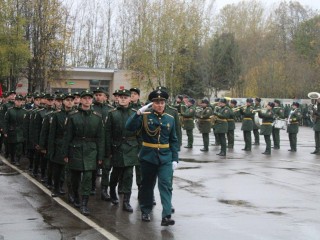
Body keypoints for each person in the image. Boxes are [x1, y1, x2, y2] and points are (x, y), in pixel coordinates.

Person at [125, 89, 179, 226]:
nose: (160, 105)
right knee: (147, 185)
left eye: (162, 102)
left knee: (166, 185)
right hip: (148, 156)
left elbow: (173, 140)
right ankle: (145, 210)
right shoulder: (145, 116)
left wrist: (175, 159)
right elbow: (129, 127)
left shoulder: (170, 119)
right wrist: (137, 114)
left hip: (165, 157)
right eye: (156, 102)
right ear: (152, 103)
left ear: (165, 103)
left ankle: (166, 215)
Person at [62, 90, 105, 215]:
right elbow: (67, 136)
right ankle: (75, 195)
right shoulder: (73, 116)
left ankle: (84, 203)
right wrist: (65, 153)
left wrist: (100, 156)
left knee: (87, 177)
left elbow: (101, 138)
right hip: (75, 148)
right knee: (74, 177)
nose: (87, 100)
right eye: (84, 98)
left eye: (89, 98)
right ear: (80, 100)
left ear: (92, 100)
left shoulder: (97, 117)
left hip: (91, 151)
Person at [105, 89, 140, 212]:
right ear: (117, 99)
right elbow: (107, 133)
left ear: (130, 99)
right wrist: (108, 150)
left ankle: (126, 201)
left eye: (126, 97)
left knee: (129, 175)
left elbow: (139, 133)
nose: (123, 99)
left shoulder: (136, 113)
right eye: (121, 97)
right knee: (116, 172)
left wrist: (139, 149)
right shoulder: (112, 113)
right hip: (117, 146)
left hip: (131, 147)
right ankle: (113, 191)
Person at [48, 93, 75, 198]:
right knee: (58, 168)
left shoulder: (75, 114)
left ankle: (67, 189)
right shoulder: (57, 115)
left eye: (71, 100)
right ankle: (56, 187)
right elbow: (52, 134)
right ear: (63, 101)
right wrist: (51, 149)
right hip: (59, 144)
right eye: (67, 100)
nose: (69, 102)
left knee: (69, 169)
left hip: (71, 145)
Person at [92, 87, 113, 198]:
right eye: (97, 95)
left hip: (106, 142)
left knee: (106, 167)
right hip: (93, 141)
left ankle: (104, 189)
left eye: (101, 95)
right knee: (93, 166)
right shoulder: (91, 108)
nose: (98, 97)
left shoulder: (110, 109)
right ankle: (91, 186)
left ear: (106, 97)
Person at [3, 95, 27, 165]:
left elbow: (26, 123)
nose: (19, 102)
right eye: (17, 101)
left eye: (20, 101)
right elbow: (6, 121)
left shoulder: (24, 111)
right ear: (15, 101)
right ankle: (12, 158)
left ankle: (17, 160)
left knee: (19, 146)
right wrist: (5, 131)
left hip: (20, 132)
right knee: (12, 147)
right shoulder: (10, 110)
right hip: (12, 131)